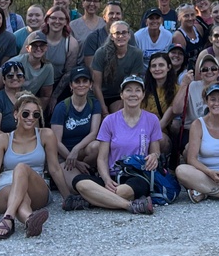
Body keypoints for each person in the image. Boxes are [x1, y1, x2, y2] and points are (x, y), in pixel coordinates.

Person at [0, 92, 72, 237]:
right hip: (6, 188)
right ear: (16, 114)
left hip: (36, 187)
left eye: (35, 115)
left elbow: (55, 169)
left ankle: (7, 218)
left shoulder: (45, 135)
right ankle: (29, 220)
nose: (30, 118)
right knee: (21, 197)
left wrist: (68, 198)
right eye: (26, 113)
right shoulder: (2, 139)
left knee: (21, 167)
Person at [69, 74, 162, 214]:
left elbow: (156, 151)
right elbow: (102, 158)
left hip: (138, 175)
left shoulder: (152, 119)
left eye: (137, 90)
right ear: (121, 95)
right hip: (113, 175)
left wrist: (154, 156)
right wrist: (106, 179)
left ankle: (90, 199)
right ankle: (130, 205)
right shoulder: (110, 120)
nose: (133, 94)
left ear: (143, 95)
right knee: (79, 182)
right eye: (128, 90)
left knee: (124, 190)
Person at [51, 67, 103, 187]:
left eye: (85, 81)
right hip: (64, 154)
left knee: (97, 145)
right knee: (76, 187)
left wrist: (76, 149)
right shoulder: (62, 107)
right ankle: (76, 171)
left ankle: (89, 169)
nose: (81, 85)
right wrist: (75, 161)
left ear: (90, 85)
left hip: (81, 151)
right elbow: (56, 141)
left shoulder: (94, 104)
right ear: (71, 85)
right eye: (77, 82)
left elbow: (94, 133)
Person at [91, 20, 144, 114]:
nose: (121, 36)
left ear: (129, 35)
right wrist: (104, 110)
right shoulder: (101, 53)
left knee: (118, 114)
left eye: (124, 33)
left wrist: (122, 103)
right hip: (100, 95)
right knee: (99, 116)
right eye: (117, 33)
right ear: (112, 36)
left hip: (120, 96)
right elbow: (96, 86)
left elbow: (131, 83)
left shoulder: (136, 54)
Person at [141, 52, 178, 160]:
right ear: (149, 69)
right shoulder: (142, 89)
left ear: (169, 67)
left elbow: (166, 120)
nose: (157, 69)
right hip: (140, 129)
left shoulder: (177, 90)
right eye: (153, 66)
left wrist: (148, 135)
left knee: (158, 139)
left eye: (161, 65)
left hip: (162, 132)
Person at [40, 6, 79, 91]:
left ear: (66, 22)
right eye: (53, 18)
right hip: (35, 82)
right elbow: (22, 61)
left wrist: (54, 96)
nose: (57, 21)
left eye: (61, 19)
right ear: (47, 20)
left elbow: (68, 73)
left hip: (57, 85)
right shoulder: (35, 36)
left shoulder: (71, 44)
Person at [0, 60, 29, 139]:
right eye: (10, 76)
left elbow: (36, 127)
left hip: (28, 140)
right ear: (4, 79)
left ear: (24, 79)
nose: (15, 78)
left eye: (19, 75)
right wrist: (17, 141)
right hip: (5, 141)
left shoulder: (30, 98)